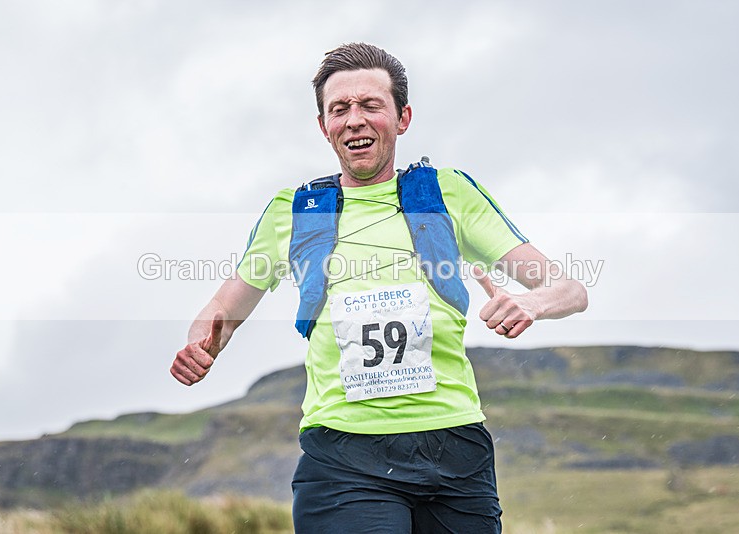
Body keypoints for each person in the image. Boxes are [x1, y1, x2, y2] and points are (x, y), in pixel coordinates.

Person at [170, 42, 587, 533]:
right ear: (323, 125)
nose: (354, 120)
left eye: (370, 106)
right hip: (344, 454)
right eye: (339, 109)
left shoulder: (448, 193)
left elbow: (569, 289)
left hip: (455, 448)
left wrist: (531, 302)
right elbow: (223, 305)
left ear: (403, 117)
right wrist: (203, 344)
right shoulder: (293, 211)